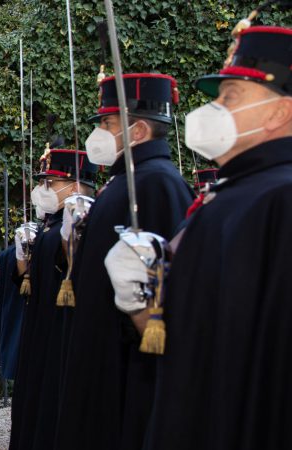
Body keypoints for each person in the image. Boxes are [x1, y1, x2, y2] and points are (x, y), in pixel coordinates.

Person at [106, 24, 292, 450]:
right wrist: (140, 301)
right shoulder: (233, 194)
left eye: (231, 96)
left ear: (279, 112)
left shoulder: (281, 197)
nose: (215, 108)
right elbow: (187, 334)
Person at [54, 74, 194, 450]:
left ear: (139, 130)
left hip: (128, 362)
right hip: (102, 348)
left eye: (108, 123)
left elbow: (169, 285)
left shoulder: (157, 182)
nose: (99, 132)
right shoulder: (123, 181)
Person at [0, 147, 98, 450]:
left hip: (61, 333)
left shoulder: (79, 219)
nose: (44, 189)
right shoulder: (50, 224)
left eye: (51, 183)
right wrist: (19, 257)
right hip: (41, 329)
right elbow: (28, 281)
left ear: (76, 185)